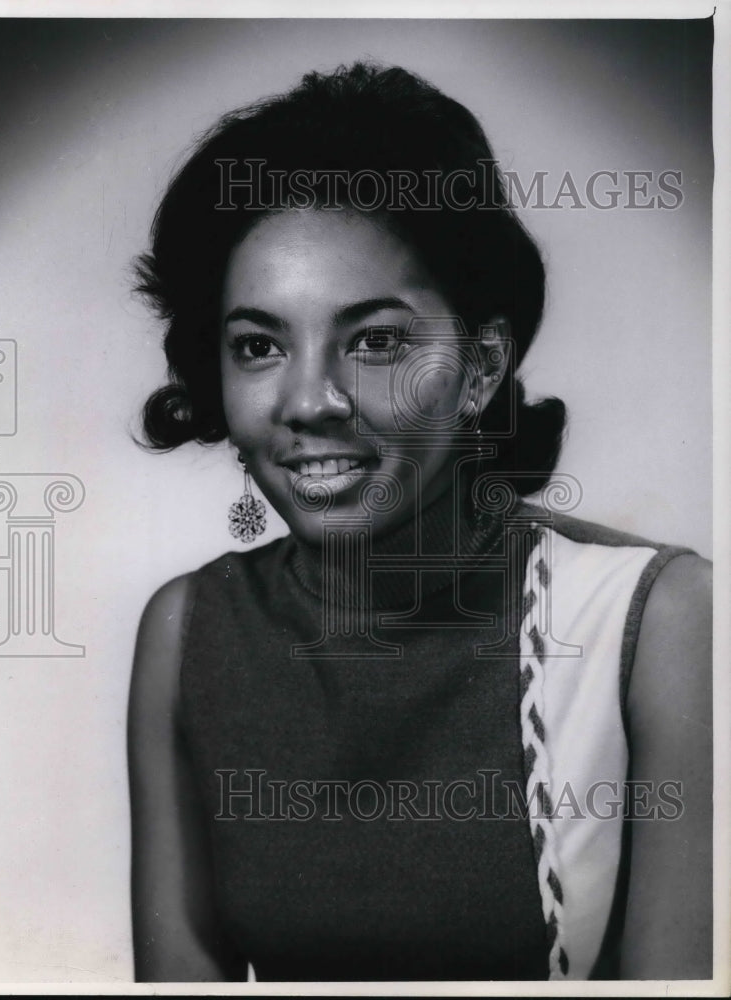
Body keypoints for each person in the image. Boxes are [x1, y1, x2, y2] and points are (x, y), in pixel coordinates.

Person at [127, 63, 712, 982]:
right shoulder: (187, 631)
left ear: (481, 366)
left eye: (376, 340)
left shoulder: (658, 622)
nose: (310, 400)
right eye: (258, 345)